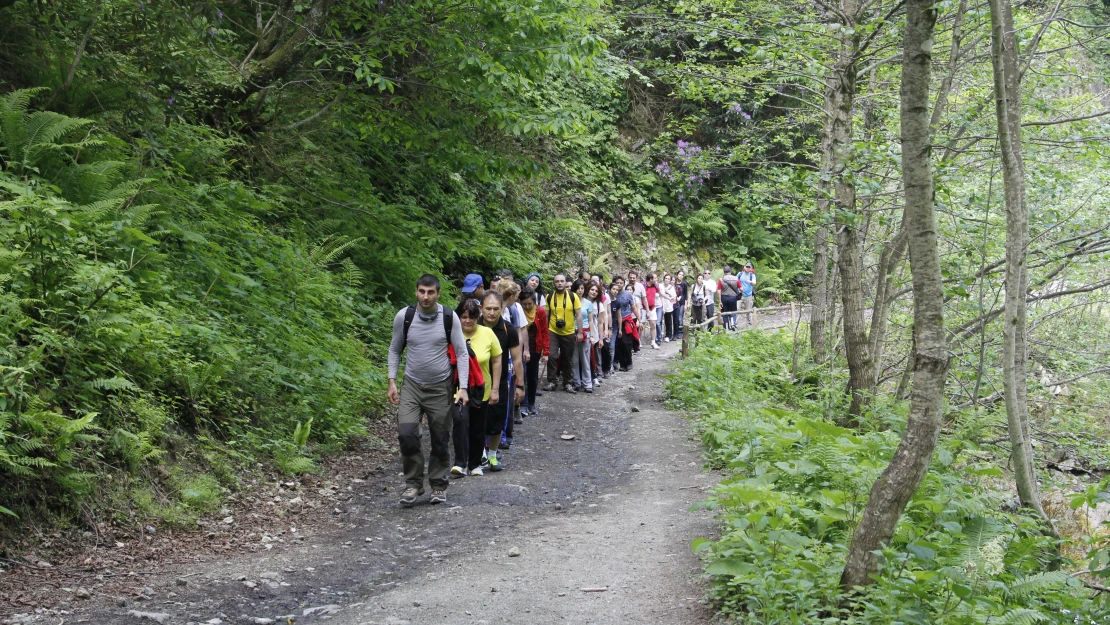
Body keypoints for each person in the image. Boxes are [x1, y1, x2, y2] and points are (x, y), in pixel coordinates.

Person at [387, 275, 471, 506]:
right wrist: (392, 380)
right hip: (412, 385)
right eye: (422, 291)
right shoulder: (405, 317)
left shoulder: (448, 317)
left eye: (430, 292)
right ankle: (413, 484)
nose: (426, 296)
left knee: (440, 437)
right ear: (416, 292)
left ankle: (438, 485)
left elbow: (462, 352)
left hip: (440, 386)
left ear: (438, 293)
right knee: (407, 433)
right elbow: (395, 349)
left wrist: (462, 387)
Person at [450, 298, 501, 478]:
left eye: (471, 317)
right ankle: (460, 463)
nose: (467, 321)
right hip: (458, 389)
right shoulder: (451, 334)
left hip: (482, 389)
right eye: (463, 317)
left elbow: (496, 360)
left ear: (477, 317)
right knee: (460, 422)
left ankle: (475, 463)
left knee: (478, 428)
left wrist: (495, 389)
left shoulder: (487, 333)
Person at [480, 291, 523, 465]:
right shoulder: (472, 326)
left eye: (495, 309)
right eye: (488, 308)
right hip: (477, 381)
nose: (491, 313)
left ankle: (492, 453)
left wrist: (520, 385)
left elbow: (517, 358)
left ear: (502, 308)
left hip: (501, 380)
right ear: (481, 308)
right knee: (478, 419)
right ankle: (480, 452)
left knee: (497, 418)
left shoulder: (508, 329)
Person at [496, 280, 528, 447]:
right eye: (516, 296)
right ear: (510, 296)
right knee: (501, 398)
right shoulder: (499, 312)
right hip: (499, 358)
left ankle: (503, 434)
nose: (518, 299)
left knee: (507, 398)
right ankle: (497, 436)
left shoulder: (508, 310)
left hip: (508, 358)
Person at [543, 273, 580, 393]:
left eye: (561, 281)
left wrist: (579, 332)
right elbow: (546, 315)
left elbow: (578, 315)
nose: (559, 283)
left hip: (569, 332)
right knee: (552, 356)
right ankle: (552, 382)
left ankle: (567, 383)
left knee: (567, 358)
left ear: (565, 283)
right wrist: (545, 332)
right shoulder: (549, 297)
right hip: (553, 331)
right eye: (557, 281)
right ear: (554, 283)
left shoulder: (573, 296)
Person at [518, 288, 548, 416]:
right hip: (520, 349)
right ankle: (523, 403)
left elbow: (545, 331)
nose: (527, 306)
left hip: (535, 348)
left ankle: (531, 403)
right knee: (521, 376)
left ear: (534, 302)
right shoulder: (518, 310)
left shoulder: (540, 311)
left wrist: (546, 351)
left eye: (530, 304)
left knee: (532, 377)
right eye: (524, 304)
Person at [569, 280, 595, 392]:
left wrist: (592, 335)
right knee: (574, 359)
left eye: (582, 288)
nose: (580, 290)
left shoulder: (588, 303)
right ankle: (576, 382)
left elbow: (591, 320)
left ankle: (588, 383)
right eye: (578, 288)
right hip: (572, 331)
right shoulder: (570, 302)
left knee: (585, 358)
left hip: (585, 332)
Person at [616, 283, 638, 370]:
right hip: (615, 321)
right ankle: (622, 364)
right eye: (618, 282)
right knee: (618, 344)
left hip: (626, 320)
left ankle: (629, 361)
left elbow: (633, 307)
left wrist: (639, 319)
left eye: (621, 283)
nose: (619, 284)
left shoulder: (627, 294)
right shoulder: (611, 294)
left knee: (626, 342)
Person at [628, 270, 648, 353]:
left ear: (636, 278)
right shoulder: (626, 285)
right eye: (631, 277)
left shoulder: (640, 286)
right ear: (628, 277)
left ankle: (637, 342)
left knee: (638, 327)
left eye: (634, 278)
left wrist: (647, 310)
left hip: (639, 309)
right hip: (628, 311)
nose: (632, 279)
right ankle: (631, 344)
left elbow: (644, 298)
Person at [718, 265, 741, 331]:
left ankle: (727, 327)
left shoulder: (721, 280)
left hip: (724, 298)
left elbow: (719, 291)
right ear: (730, 271)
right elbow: (741, 289)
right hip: (733, 298)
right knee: (733, 312)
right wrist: (739, 293)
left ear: (724, 272)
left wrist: (720, 301)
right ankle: (733, 324)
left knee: (725, 313)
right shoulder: (736, 278)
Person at [643, 273, 661, 349]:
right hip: (643, 308)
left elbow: (661, 293)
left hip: (652, 307)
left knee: (653, 324)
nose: (656, 280)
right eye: (655, 278)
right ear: (651, 279)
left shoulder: (655, 286)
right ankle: (638, 342)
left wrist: (669, 298)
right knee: (641, 325)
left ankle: (653, 342)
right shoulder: (643, 286)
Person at [739, 263, 758, 327]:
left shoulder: (752, 275)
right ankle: (735, 324)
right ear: (744, 267)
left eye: (749, 267)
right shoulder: (740, 274)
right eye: (747, 266)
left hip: (748, 295)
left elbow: (754, 282)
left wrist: (751, 281)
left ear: (751, 268)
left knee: (748, 310)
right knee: (737, 309)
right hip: (739, 295)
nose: (748, 268)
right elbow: (735, 281)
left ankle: (749, 323)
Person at [661, 273, 676, 342]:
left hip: (669, 306)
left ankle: (668, 335)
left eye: (668, 279)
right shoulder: (660, 286)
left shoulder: (671, 287)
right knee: (659, 321)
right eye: (666, 278)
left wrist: (668, 292)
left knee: (668, 321)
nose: (667, 280)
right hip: (660, 305)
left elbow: (674, 297)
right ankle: (660, 334)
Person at [675, 270, 688, 339]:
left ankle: (680, 332)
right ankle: (675, 332)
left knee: (680, 318)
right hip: (674, 303)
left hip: (682, 303)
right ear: (677, 275)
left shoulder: (684, 284)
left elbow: (686, 295)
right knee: (675, 318)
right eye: (679, 274)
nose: (681, 276)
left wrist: (686, 305)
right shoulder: (674, 283)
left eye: (682, 275)